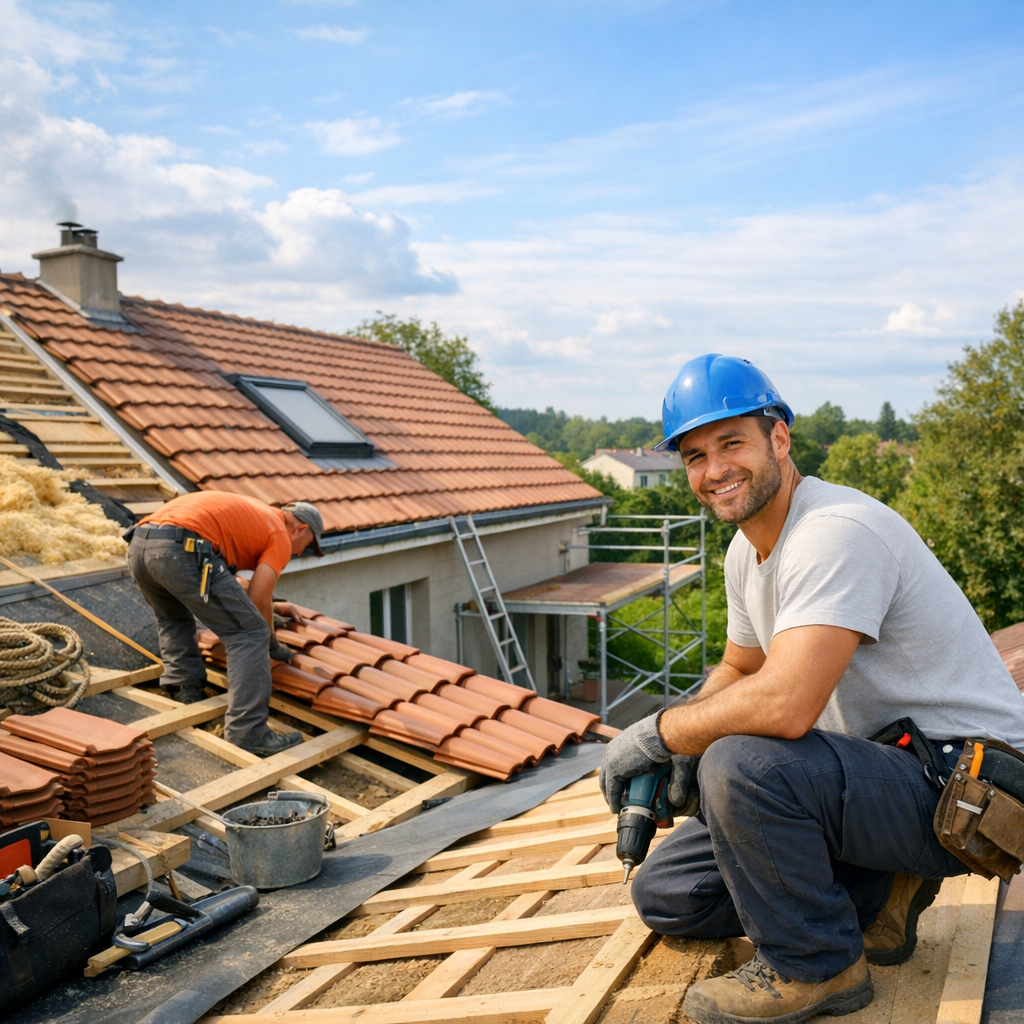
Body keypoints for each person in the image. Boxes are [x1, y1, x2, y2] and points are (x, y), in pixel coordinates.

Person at [599, 354, 1024, 1024]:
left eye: (731, 443)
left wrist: (659, 733)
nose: (714, 472)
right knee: (672, 892)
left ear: (780, 439)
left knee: (741, 762)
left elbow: (785, 703)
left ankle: (817, 968)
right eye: (695, 456)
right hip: (886, 772)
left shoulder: (835, 533)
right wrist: (686, 737)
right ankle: (880, 885)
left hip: (967, 790)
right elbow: (741, 669)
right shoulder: (748, 550)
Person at [126, 492, 324, 757]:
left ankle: (185, 688)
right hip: (183, 548)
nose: (301, 552)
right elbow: (258, 596)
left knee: (173, 616)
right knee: (250, 634)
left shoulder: (255, 514)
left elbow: (234, 585)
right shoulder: (280, 535)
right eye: (308, 544)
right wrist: (272, 641)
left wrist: (271, 607)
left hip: (140, 546)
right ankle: (249, 733)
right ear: (301, 528)